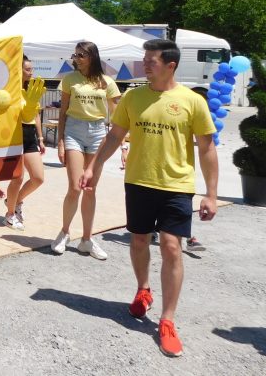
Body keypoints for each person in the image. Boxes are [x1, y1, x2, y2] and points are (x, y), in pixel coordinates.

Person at [81, 39, 218, 357]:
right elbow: (115, 136)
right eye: (144, 60)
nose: (145, 65)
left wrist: (211, 194)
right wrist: (92, 166)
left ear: (171, 65)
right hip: (139, 181)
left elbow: (207, 148)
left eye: (151, 61)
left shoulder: (192, 101)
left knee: (171, 246)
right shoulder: (133, 97)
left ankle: (167, 321)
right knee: (139, 241)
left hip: (176, 185)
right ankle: (143, 289)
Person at [52, 42, 122, 260]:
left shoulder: (107, 82)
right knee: (75, 187)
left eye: (81, 55)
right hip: (74, 130)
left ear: (93, 56)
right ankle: (64, 232)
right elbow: (62, 112)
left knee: (90, 189)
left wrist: (124, 145)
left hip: (98, 132)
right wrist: (60, 142)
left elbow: (119, 116)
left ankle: (86, 240)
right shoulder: (69, 79)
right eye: (76, 54)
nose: (77, 58)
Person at [4, 56, 46, 230]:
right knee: (18, 178)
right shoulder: (10, 90)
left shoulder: (31, 89)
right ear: (18, 70)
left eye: (31, 69)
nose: (31, 72)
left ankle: (15, 201)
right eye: (27, 69)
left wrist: (41, 138)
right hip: (14, 134)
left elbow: (36, 115)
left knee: (38, 178)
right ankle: (10, 215)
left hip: (30, 135)